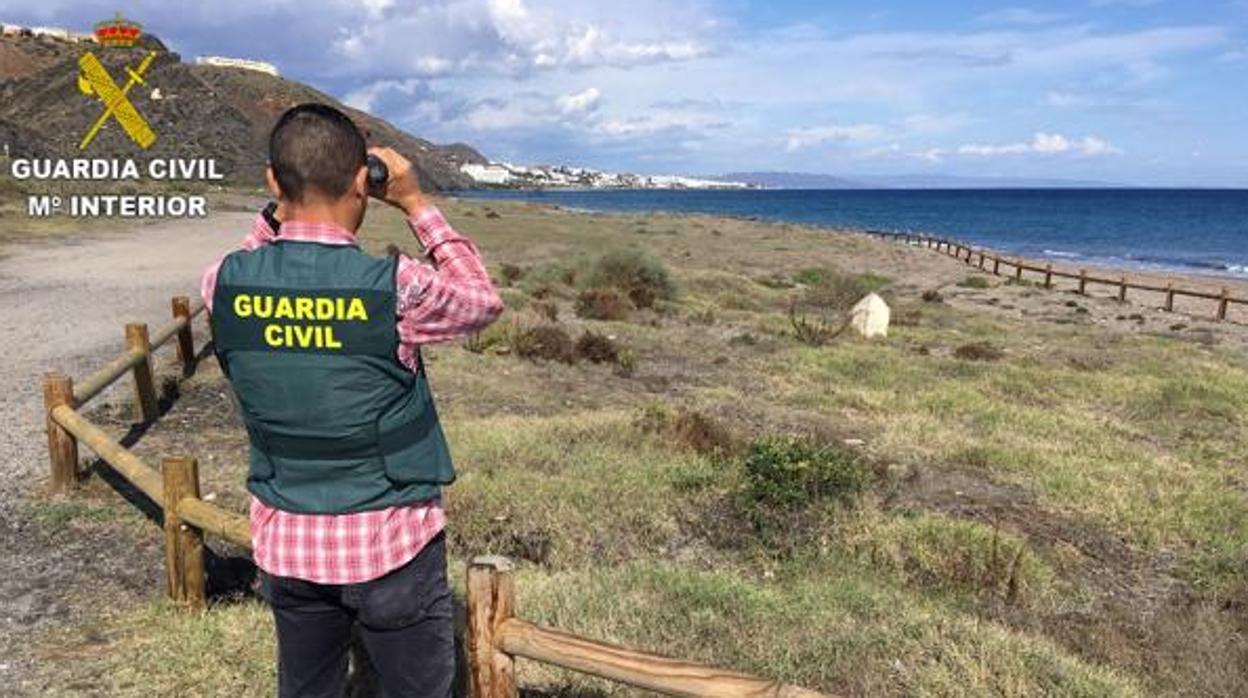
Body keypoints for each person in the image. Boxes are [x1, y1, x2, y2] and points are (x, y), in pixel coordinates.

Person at [200, 103, 503, 697]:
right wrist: (416, 203)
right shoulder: (395, 287)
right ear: (364, 182)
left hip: (286, 538)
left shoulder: (222, 281)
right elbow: (482, 302)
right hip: (392, 541)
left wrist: (277, 208)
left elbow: (254, 248)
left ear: (271, 182)